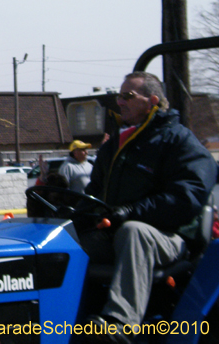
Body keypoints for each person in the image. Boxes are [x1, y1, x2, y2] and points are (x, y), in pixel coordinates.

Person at [82, 72, 216, 343]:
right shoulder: (117, 146)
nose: (119, 102)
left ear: (152, 100)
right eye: (118, 96)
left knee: (134, 232)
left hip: (168, 236)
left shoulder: (179, 140)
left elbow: (188, 196)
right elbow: (94, 192)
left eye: (127, 96)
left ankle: (119, 323)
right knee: (65, 247)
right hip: (115, 230)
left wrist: (131, 211)